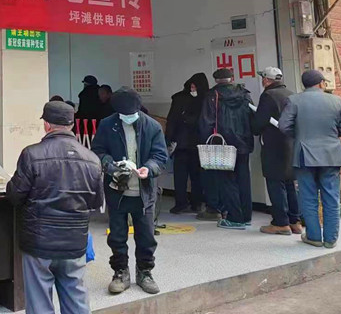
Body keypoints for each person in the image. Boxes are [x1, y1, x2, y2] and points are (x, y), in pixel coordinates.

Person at [6, 101, 103, 314]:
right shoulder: (92, 160)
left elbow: (14, 195)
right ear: (72, 124)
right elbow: (96, 202)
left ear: (47, 125)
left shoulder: (31, 154)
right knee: (76, 299)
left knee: (39, 303)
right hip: (74, 242)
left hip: (39, 243)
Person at [92, 88, 168, 295]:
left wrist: (149, 168)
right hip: (117, 191)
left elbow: (160, 155)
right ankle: (120, 272)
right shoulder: (107, 125)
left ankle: (145, 272)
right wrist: (110, 165)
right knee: (117, 236)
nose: (128, 117)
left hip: (144, 192)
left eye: (131, 114)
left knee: (146, 236)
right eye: (124, 114)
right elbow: (98, 150)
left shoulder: (152, 126)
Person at [280, 69, 341, 249]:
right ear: (321, 83)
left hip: (304, 155)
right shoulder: (336, 100)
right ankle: (330, 239)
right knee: (331, 197)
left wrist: (300, 135)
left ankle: (313, 237)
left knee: (308, 197)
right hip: (331, 155)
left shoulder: (294, 100)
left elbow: (284, 126)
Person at [198, 68, 254, 230]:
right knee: (244, 179)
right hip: (243, 143)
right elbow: (252, 118)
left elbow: (206, 122)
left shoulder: (212, 95)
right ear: (232, 78)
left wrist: (205, 141)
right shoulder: (244, 94)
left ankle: (235, 218)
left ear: (216, 80)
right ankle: (246, 216)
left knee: (227, 181)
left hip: (222, 144)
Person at [252, 67, 302, 236]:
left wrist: (254, 125)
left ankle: (280, 223)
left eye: (263, 78)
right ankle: (295, 221)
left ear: (266, 80)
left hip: (273, 145)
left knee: (275, 183)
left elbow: (259, 123)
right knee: (290, 183)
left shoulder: (268, 95)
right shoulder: (292, 94)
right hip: (291, 144)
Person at [165, 73, 209, 214]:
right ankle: (195, 202)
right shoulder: (206, 99)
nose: (192, 88)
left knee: (182, 176)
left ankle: (182, 203)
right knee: (195, 176)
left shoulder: (180, 98)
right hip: (194, 144)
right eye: (191, 85)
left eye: (195, 86)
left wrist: (169, 138)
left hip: (183, 143)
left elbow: (171, 120)